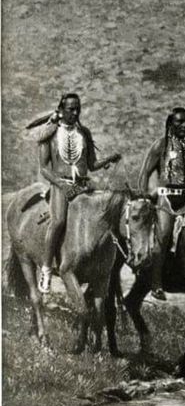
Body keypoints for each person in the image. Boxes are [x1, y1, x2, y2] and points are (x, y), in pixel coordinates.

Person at [35, 93, 122, 293]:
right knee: (58, 222)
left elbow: (91, 164)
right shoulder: (50, 134)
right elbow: (44, 168)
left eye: (77, 109)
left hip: (83, 185)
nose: (75, 113)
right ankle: (47, 270)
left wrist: (108, 159)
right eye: (70, 109)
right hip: (60, 185)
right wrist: (60, 184)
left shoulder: (84, 133)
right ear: (61, 110)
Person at [138, 107, 185, 300]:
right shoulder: (161, 145)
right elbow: (144, 173)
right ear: (170, 124)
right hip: (167, 199)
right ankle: (156, 283)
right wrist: (143, 196)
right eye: (179, 122)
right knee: (164, 235)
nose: (184, 126)